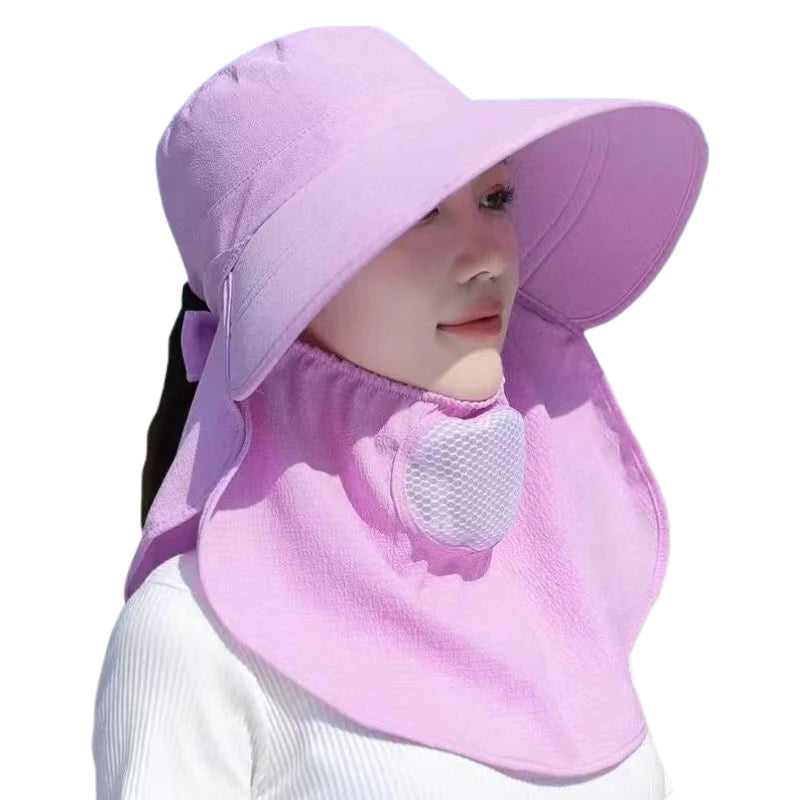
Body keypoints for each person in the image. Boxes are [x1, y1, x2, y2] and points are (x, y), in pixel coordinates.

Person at [93, 24, 707, 798]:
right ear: (287, 295)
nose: (489, 255)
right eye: (417, 213)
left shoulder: (554, 592)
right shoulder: (193, 635)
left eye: (495, 198)